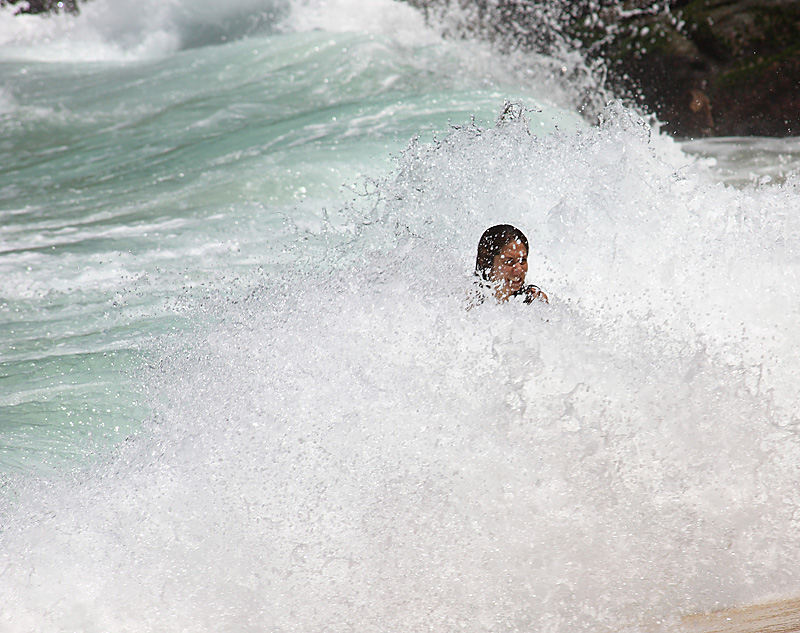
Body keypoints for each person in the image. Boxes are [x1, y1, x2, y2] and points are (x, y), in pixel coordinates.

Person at [472, 224, 548, 305]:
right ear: (487, 264)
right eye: (509, 262)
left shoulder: (534, 299)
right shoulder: (469, 298)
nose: (519, 269)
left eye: (523, 260)